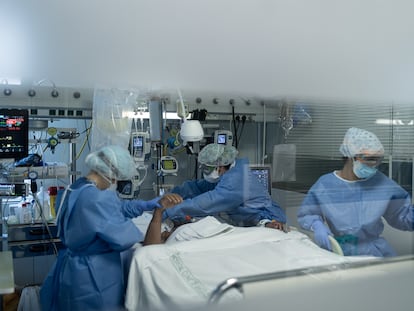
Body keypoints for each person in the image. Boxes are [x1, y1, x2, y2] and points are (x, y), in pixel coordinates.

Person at [39, 145, 182, 311]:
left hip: (72, 269)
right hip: (93, 276)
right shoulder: (98, 198)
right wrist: (159, 227)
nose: (114, 183)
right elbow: (124, 238)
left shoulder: (76, 188)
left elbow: (117, 208)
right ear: (111, 174)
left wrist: (146, 205)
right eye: (116, 179)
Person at [297, 127, 414, 257]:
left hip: (375, 253)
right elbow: (308, 214)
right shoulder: (326, 185)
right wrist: (317, 225)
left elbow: (402, 216)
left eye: (378, 160)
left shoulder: (381, 183)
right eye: (369, 159)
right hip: (340, 252)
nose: (374, 164)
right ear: (350, 157)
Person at [164, 143, 287, 230]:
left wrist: (169, 211)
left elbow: (208, 203)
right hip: (249, 222)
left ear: (221, 166)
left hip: (269, 221)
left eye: (207, 168)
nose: (204, 172)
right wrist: (170, 196)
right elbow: (197, 187)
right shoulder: (226, 175)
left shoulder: (236, 179)